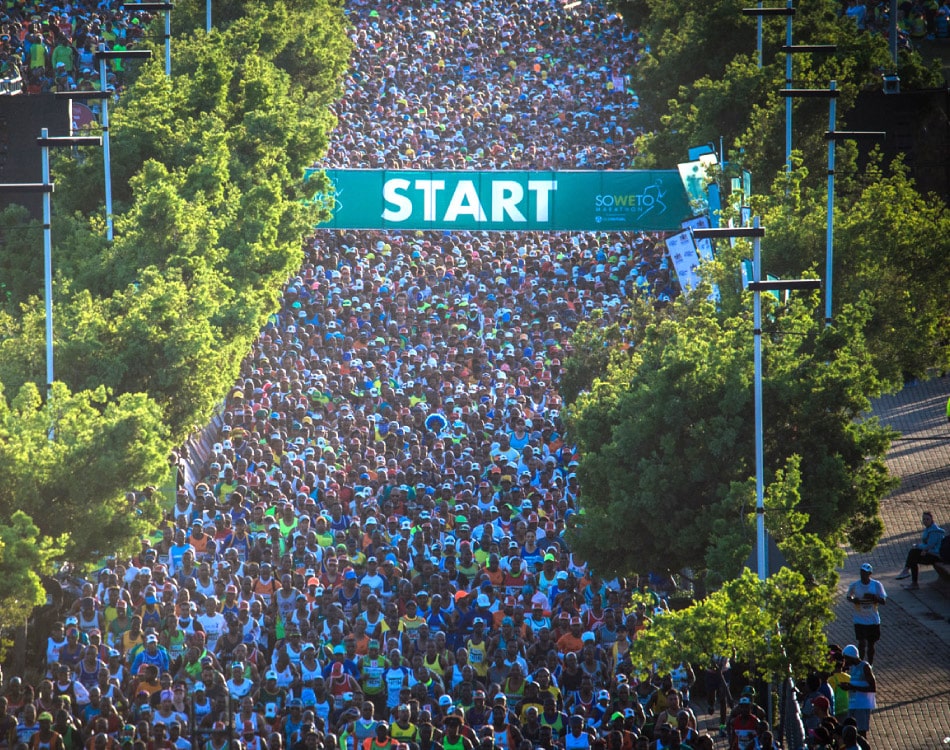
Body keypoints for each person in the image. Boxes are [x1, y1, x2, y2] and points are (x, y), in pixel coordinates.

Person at [844, 564, 886, 664]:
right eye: (861, 572)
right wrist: (854, 600)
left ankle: (870, 665)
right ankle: (860, 664)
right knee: (861, 643)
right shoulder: (855, 585)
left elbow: (883, 601)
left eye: (865, 573)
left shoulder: (876, 585)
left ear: (870, 574)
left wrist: (874, 597)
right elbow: (849, 597)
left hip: (873, 620)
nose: (863, 575)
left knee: (871, 645)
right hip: (859, 619)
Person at [895, 511, 945, 589]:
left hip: (937, 556)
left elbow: (930, 545)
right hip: (930, 553)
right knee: (913, 558)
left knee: (913, 552)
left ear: (932, 519)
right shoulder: (928, 529)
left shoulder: (935, 531)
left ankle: (906, 572)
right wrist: (924, 549)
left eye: (927, 519)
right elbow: (927, 546)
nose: (925, 521)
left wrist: (919, 546)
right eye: (924, 519)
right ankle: (913, 581)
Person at [840, 645, 875, 738]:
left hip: (862, 705)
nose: (845, 661)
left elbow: (873, 687)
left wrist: (853, 687)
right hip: (853, 704)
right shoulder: (853, 668)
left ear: (851, 657)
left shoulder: (865, 667)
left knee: (861, 732)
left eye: (846, 658)